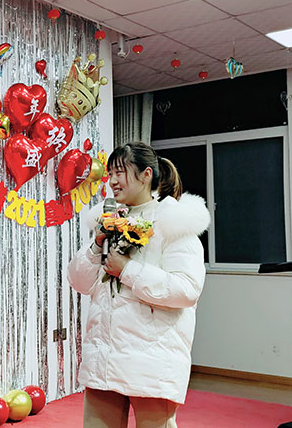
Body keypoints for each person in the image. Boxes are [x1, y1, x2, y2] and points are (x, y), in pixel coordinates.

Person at [67, 142, 210, 428]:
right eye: (110, 173)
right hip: (104, 360)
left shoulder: (174, 223)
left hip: (151, 364)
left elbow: (186, 290)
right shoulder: (109, 221)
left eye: (120, 172)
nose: (112, 181)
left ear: (146, 175)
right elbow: (79, 282)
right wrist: (96, 245)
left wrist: (127, 270)